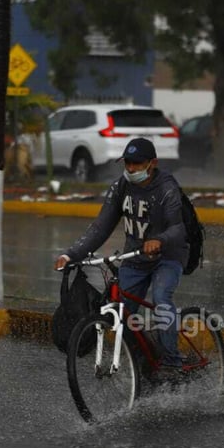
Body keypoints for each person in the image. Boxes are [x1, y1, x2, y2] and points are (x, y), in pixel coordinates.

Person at [54, 137, 189, 377]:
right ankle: (144, 366)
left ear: (153, 163)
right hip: (135, 259)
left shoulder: (167, 187)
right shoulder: (121, 187)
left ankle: (172, 362)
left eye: (137, 163)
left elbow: (178, 228)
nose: (131, 168)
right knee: (121, 314)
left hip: (167, 257)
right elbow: (100, 228)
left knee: (161, 300)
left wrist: (161, 240)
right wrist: (71, 254)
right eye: (127, 162)